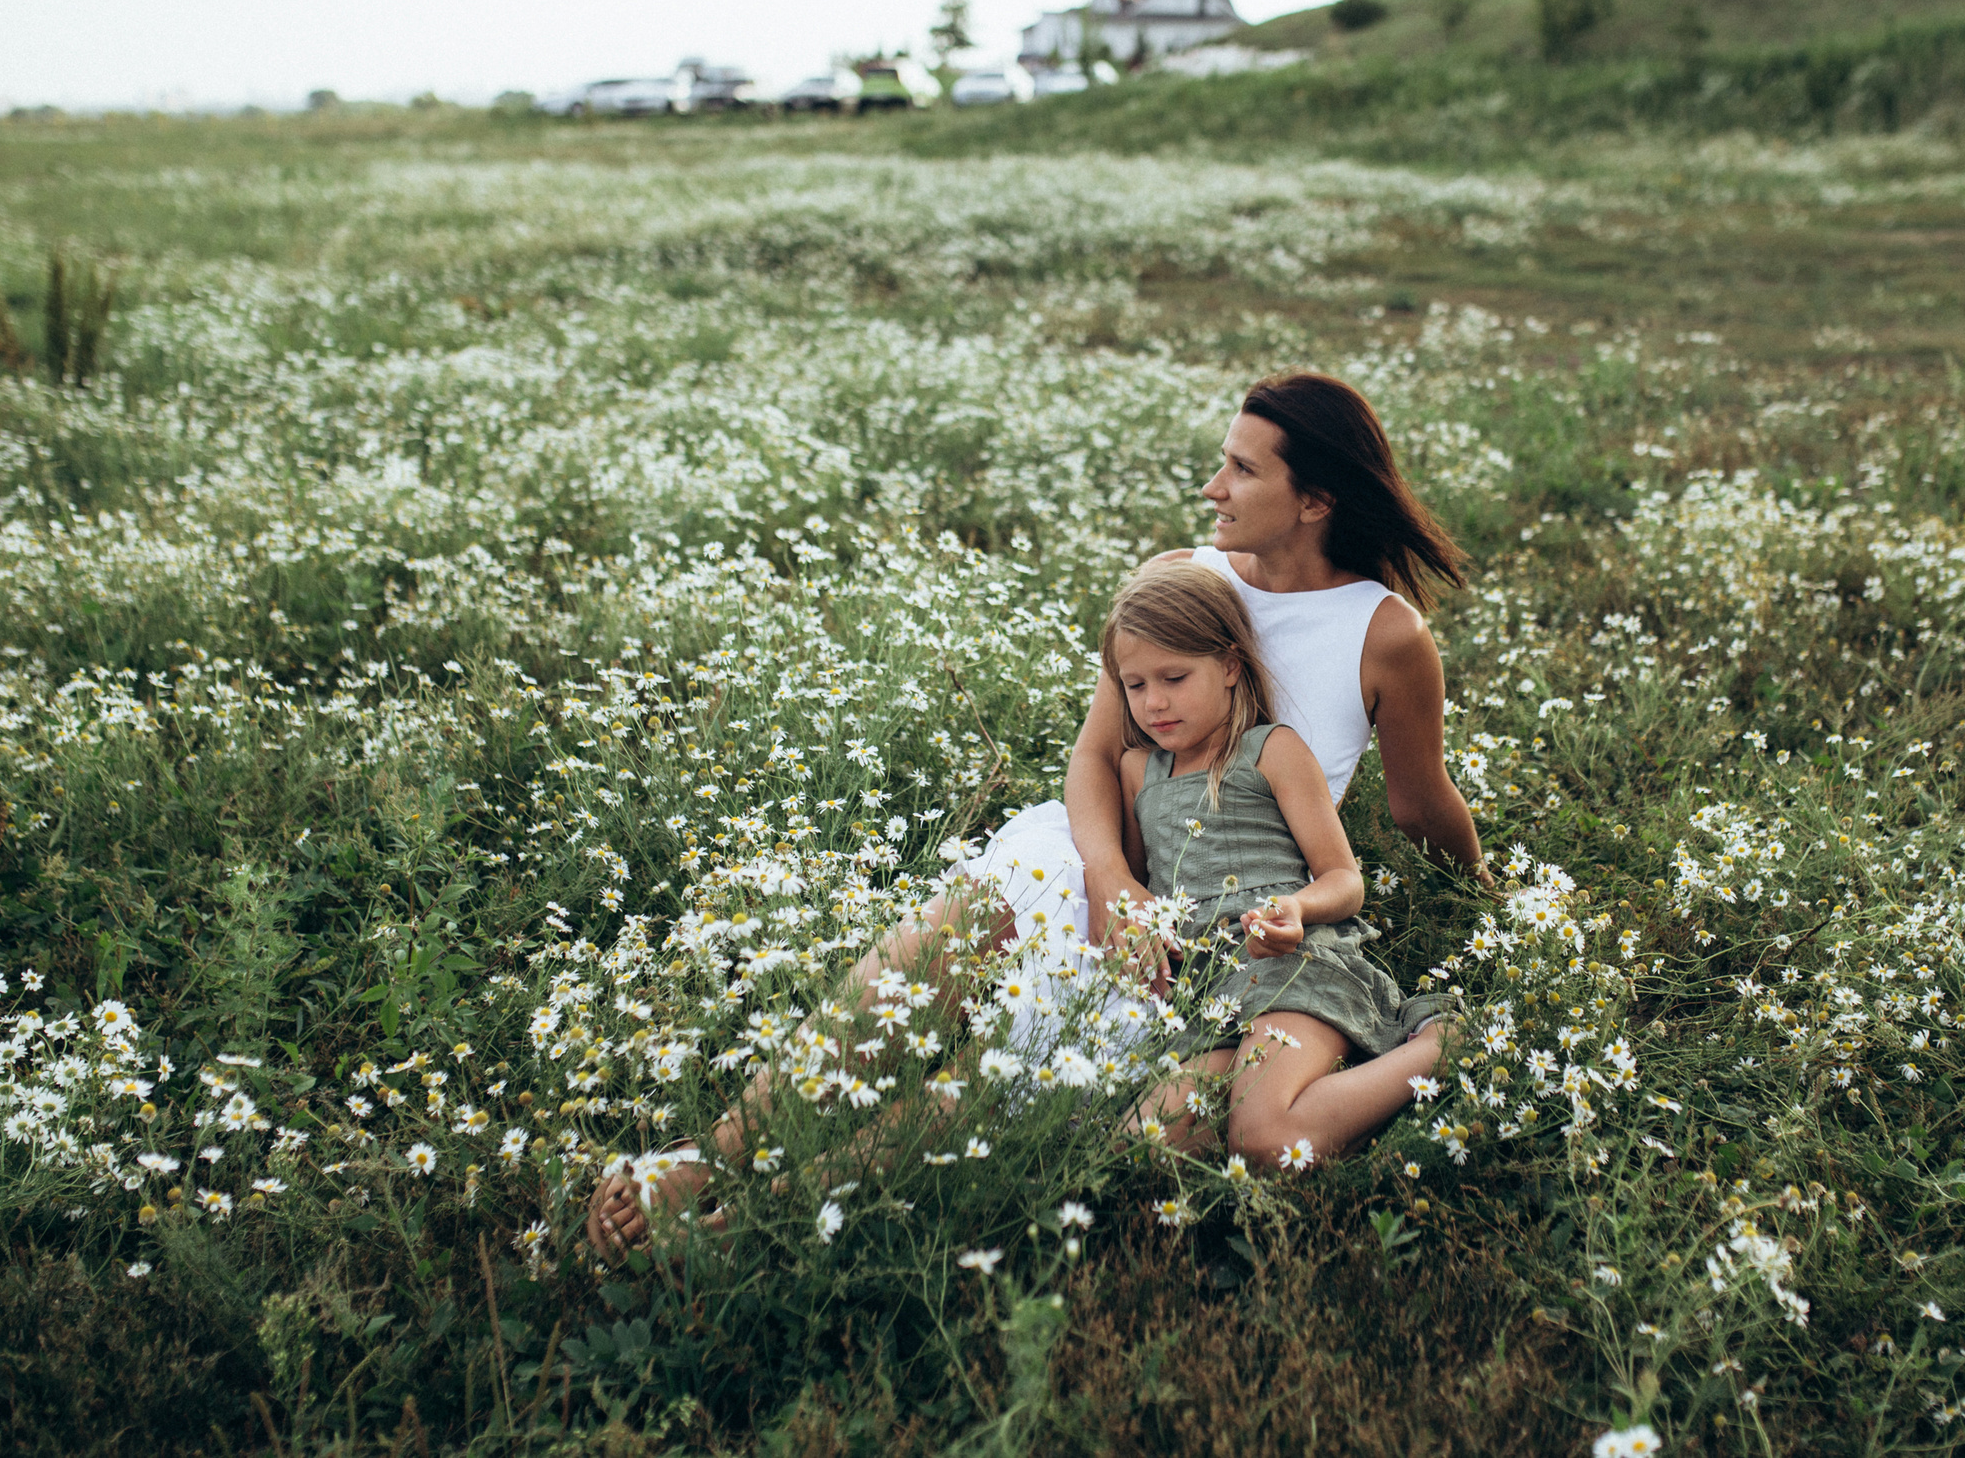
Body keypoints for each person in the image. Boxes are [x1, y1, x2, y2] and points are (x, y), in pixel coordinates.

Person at [587, 371, 1486, 1258]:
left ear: (1316, 500)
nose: (1213, 487)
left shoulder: (1384, 632)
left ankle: (756, 1221)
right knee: (947, 936)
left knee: (1010, 1080)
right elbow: (1096, 755)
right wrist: (1112, 880)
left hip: (1222, 915)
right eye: (1223, 460)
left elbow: (1421, 803)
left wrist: (1484, 891)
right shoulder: (1181, 578)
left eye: (1243, 470)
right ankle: (710, 1155)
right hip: (1107, 850)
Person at [1100, 561, 1449, 1163]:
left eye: (1175, 678)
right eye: (1134, 686)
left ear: (1230, 665)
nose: (1154, 702)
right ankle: (1300, 1097)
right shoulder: (1137, 772)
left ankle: (1440, 1046)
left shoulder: (1271, 749)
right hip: (1205, 992)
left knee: (1265, 1139)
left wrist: (1297, 907)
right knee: (1143, 1146)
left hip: (1290, 965)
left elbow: (1344, 880)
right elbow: (1134, 884)